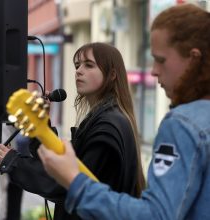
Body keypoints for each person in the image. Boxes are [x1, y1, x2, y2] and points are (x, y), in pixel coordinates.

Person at [36, 3, 210, 220]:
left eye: (160, 60)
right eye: (77, 65)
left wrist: (74, 181)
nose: (154, 71)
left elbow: (155, 215)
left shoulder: (182, 125)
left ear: (194, 60)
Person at [0, 43, 146, 219]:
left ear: (112, 74)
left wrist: (14, 162)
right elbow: (65, 161)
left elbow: (66, 183)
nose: (79, 71)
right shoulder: (106, 118)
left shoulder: (107, 128)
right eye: (77, 65)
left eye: (89, 65)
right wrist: (42, 127)